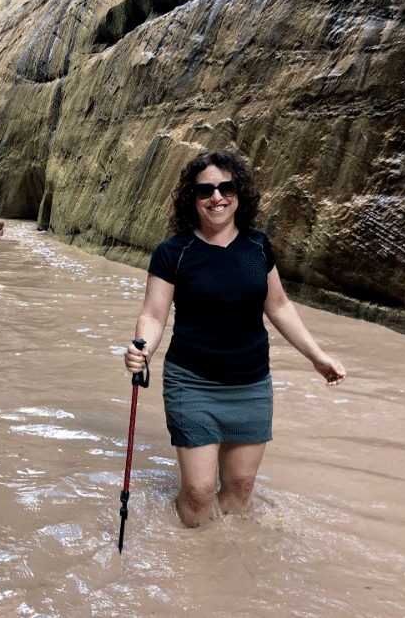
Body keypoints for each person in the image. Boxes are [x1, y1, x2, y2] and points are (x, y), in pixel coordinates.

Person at [123, 149, 346, 528]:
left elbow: (279, 307)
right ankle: (188, 559)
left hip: (251, 383)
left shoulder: (257, 247)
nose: (216, 197)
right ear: (191, 199)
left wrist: (317, 356)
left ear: (239, 194)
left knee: (241, 487)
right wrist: (141, 349)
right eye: (205, 190)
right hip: (191, 383)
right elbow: (153, 314)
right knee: (198, 492)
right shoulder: (172, 253)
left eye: (226, 187)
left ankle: (225, 563)